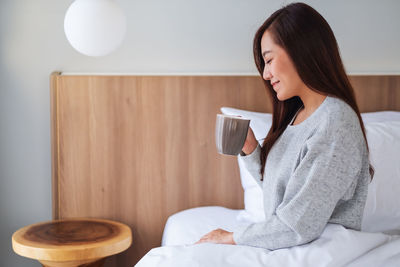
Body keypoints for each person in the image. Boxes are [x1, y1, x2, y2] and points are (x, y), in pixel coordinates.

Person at [195, 2, 373, 249]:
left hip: (319, 251)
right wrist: (250, 151)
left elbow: (297, 226)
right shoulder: (298, 115)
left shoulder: (335, 121)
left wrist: (233, 237)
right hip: (292, 248)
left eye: (268, 60)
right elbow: (284, 197)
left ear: (300, 50)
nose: (266, 75)